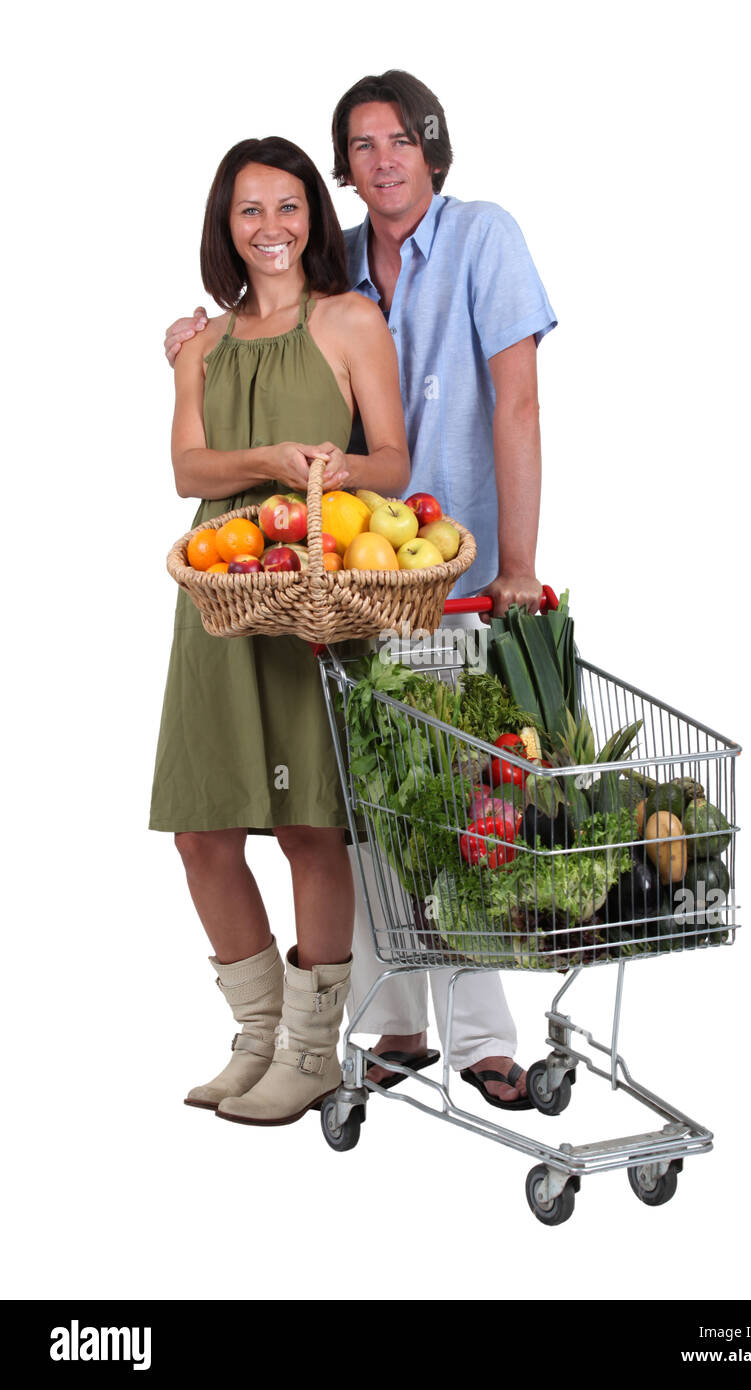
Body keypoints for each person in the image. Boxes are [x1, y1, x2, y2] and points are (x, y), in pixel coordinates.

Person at [164, 70, 557, 1109]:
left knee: (471, 801)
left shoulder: (482, 238)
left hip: (451, 575)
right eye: (362, 145)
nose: (382, 160)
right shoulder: (335, 264)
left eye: (399, 140)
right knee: (376, 800)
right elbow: (266, 289)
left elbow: (514, 406)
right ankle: (389, 1024)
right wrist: (191, 349)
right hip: (342, 586)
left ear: (432, 146)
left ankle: (480, 1036)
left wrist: (514, 562)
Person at [150, 135, 410, 1126]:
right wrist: (262, 453)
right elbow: (187, 471)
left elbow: (389, 458)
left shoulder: (349, 322)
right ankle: (255, 1036)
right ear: (226, 224)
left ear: (313, 218)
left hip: (315, 586)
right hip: (219, 590)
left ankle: (309, 1050)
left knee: (309, 826)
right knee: (202, 830)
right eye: (250, 210)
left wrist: (338, 472)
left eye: (289, 207)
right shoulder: (201, 347)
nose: (271, 228)